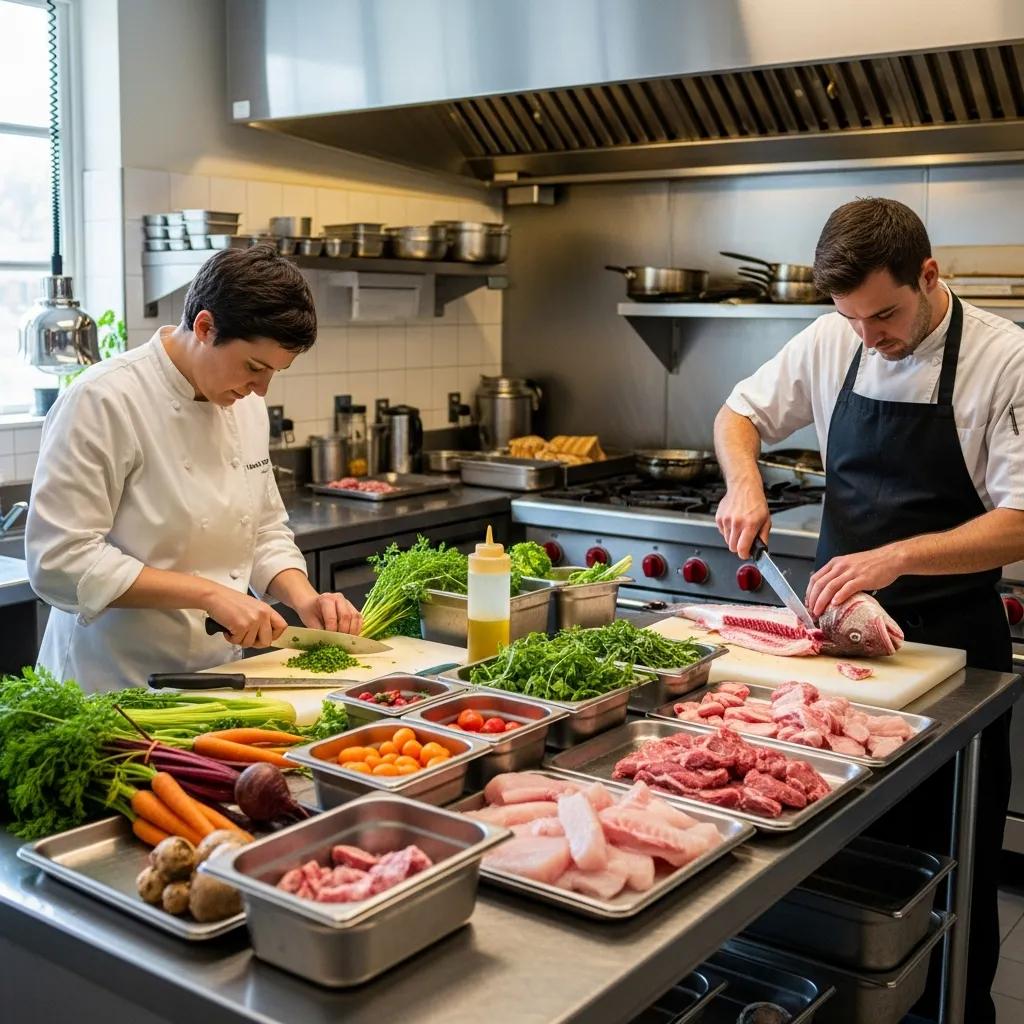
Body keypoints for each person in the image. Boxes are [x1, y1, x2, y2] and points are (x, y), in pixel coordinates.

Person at [714, 197, 1024, 1020]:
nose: (868, 336)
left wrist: (893, 558)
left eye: (883, 314)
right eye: (850, 318)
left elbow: (1022, 519)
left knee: (948, 866)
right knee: (822, 855)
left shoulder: (1006, 359)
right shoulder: (835, 338)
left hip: (954, 652)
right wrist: (744, 480)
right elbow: (738, 415)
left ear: (930, 275)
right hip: (836, 657)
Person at [26, 244, 361, 692]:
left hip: (213, 676)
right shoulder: (103, 399)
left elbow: (262, 530)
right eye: (254, 367)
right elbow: (59, 561)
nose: (261, 389)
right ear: (205, 327)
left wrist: (304, 598)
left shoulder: (244, 403)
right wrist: (209, 593)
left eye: (274, 373)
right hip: (110, 683)